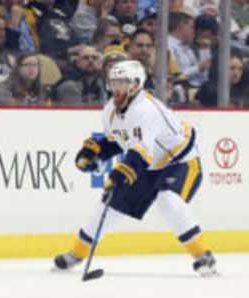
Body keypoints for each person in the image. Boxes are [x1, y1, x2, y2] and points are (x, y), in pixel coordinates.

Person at [53, 60, 218, 277]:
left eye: (122, 82)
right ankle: (77, 253)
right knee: (109, 206)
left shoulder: (145, 110)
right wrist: (95, 153)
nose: (116, 88)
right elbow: (119, 140)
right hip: (150, 161)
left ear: (136, 84)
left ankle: (202, 255)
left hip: (179, 160)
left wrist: (119, 174)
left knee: (168, 201)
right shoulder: (111, 109)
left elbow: (140, 152)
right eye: (113, 82)